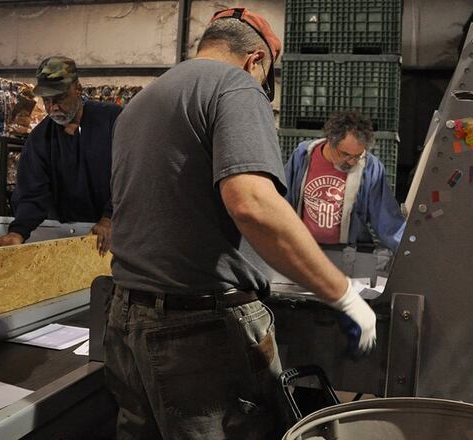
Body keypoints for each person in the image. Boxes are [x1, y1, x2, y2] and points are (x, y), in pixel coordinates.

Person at [106, 8, 378, 440]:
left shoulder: (140, 103)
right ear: (255, 61)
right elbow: (252, 204)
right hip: (198, 334)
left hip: (126, 318)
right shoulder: (234, 84)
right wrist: (344, 294)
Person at [0, 56, 120, 255]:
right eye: (47, 100)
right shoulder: (39, 139)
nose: (52, 108)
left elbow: (133, 175)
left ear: (77, 89)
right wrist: (18, 232)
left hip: (117, 235)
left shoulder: (113, 121)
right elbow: (32, 193)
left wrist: (110, 217)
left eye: (59, 98)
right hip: (72, 237)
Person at [284, 110, 406, 253]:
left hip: (348, 254)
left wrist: (407, 252)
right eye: (346, 155)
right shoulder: (303, 155)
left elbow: (387, 219)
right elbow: (282, 199)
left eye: (358, 155)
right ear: (330, 141)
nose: (352, 162)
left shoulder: (370, 167)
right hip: (304, 249)